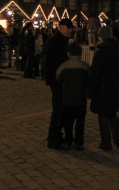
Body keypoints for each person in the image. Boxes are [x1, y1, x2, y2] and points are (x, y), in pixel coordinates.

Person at [87, 26, 119, 150]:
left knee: (103, 115)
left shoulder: (101, 52)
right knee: (111, 113)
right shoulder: (117, 50)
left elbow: (96, 73)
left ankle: (106, 142)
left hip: (102, 87)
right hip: (114, 86)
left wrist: (91, 91)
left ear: (101, 37)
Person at [44, 18, 73, 150]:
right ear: (61, 27)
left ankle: (56, 134)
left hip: (62, 79)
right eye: (68, 27)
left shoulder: (64, 41)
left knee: (63, 108)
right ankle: (53, 137)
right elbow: (51, 62)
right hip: (57, 79)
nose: (69, 30)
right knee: (58, 109)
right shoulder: (54, 41)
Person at [56, 40, 90, 151]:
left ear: (68, 53)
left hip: (67, 99)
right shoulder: (85, 67)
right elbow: (89, 82)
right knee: (80, 123)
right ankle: (79, 142)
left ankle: (68, 141)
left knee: (68, 122)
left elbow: (58, 80)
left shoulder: (63, 67)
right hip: (80, 99)